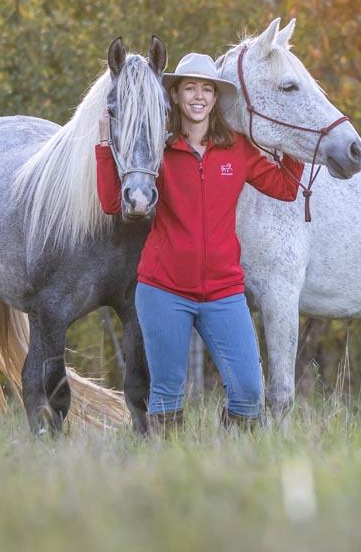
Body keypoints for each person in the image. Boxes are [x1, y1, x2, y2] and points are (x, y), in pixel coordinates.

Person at [95, 52, 305, 431]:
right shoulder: (160, 149)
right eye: (189, 88)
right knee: (167, 395)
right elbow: (113, 202)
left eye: (206, 89)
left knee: (248, 391)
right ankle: (171, 471)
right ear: (174, 95)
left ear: (215, 97)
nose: (198, 96)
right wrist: (102, 148)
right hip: (163, 291)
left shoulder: (237, 149)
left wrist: (294, 140)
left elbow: (286, 187)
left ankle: (227, 463)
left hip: (224, 293)